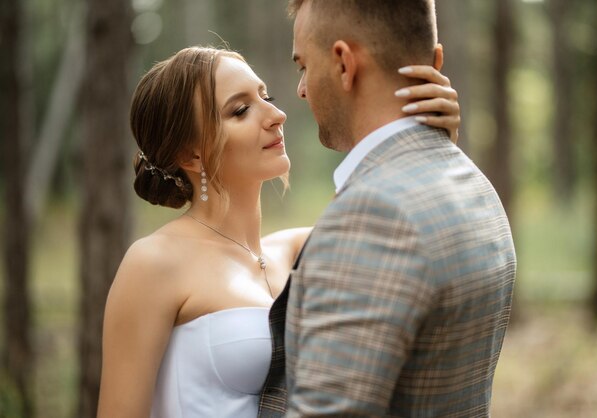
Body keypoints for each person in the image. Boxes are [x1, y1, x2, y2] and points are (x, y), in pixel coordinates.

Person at [96, 44, 461, 418]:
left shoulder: (302, 249)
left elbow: (414, 235)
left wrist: (433, 145)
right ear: (191, 155)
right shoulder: (154, 263)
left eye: (266, 96)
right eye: (240, 110)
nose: (277, 114)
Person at [258, 1, 517, 417]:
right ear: (435, 61)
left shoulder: (373, 217)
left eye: (303, 65)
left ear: (344, 63)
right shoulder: (473, 185)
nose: (302, 89)